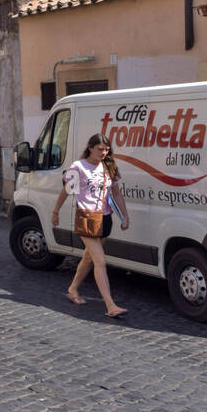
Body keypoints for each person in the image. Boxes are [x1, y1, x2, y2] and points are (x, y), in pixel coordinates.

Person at [53, 133, 130, 318]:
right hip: (86, 219)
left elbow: (117, 193)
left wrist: (125, 216)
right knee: (100, 261)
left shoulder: (109, 166)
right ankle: (110, 305)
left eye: (106, 149)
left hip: (104, 219)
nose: (103, 153)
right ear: (90, 147)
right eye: (99, 149)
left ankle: (72, 289)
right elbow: (66, 191)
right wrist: (55, 212)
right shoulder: (78, 167)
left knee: (88, 259)